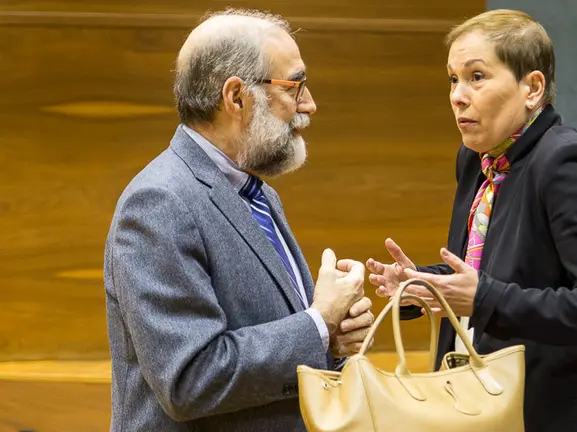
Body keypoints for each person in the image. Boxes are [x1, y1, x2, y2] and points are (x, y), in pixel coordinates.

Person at [367, 9, 577, 432]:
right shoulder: (477, 160)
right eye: (453, 79)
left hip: (554, 413)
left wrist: (483, 300)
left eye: (476, 77)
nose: (458, 95)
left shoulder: (567, 163)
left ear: (532, 88)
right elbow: (486, 272)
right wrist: (421, 283)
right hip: (476, 405)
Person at [103, 9, 374, 432]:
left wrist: (332, 339)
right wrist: (318, 323)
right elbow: (190, 379)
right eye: (295, 85)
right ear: (236, 96)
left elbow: (281, 340)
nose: (309, 104)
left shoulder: (259, 192)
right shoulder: (159, 202)